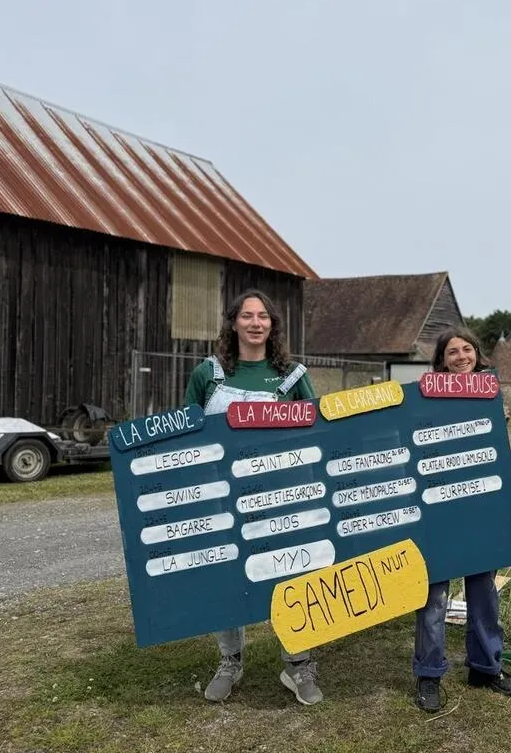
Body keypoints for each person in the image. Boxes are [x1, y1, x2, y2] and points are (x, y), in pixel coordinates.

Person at [184, 288, 323, 707]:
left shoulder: (292, 376)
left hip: (280, 498)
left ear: (272, 325)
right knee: (225, 576)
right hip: (221, 498)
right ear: (233, 323)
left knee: (291, 574)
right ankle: (230, 661)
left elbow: (318, 434)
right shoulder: (207, 374)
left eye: (263, 316)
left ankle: (298, 663)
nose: (255, 323)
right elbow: (187, 437)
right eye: (247, 316)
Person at [412, 326, 511, 712]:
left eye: (467, 349)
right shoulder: (424, 397)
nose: (462, 357)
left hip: (481, 506)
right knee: (433, 595)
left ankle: (486, 667)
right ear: (441, 360)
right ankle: (429, 673)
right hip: (438, 508)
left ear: (477, 354)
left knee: (483, 591)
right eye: (453, 352)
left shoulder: (490, 393)